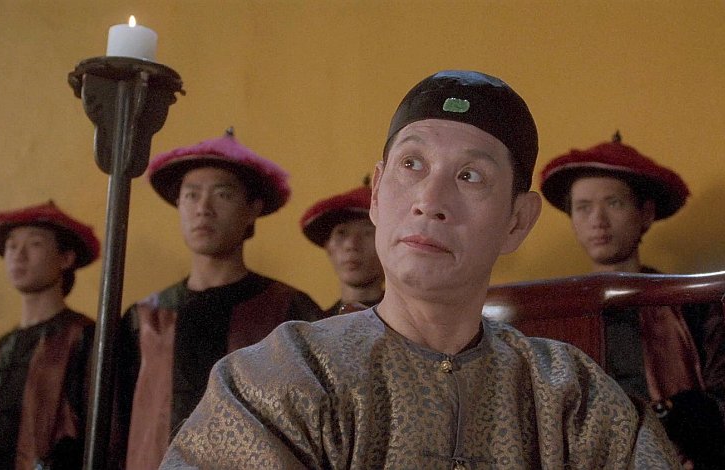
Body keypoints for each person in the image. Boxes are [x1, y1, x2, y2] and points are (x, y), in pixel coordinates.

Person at [160, 71, 680, 468]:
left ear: (517, 221)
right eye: (412, 165)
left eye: (470, 176)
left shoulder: (573, 399)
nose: (430, 200)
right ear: (377, 195)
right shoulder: (282, 380)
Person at [540, 132, 725, 468]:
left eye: (614, 203)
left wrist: (676, 416)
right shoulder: (555, 315)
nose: (597, 220)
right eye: (583, 207)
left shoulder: (696, 303)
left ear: (646, 213)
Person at [111, 127, 324, 469]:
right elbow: (115, 428)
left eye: (222, 194)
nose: (203, 209)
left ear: (252, 208)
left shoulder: (288, 309)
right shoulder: (146, 317)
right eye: (191, 195)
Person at [0, 201, 100, 470]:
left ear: (66, 258)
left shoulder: (84, 339)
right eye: (11, 246)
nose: (18, 255)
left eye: (35, 244)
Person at [299, 176, 385, 316]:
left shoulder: (410, 323)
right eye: (341, 233)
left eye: (367, 233)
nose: (351, 245)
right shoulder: (314, 325)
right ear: (328, 247)